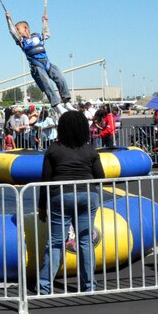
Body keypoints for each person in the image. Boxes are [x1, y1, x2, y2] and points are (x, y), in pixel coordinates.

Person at [37, 110, 105, 294]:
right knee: (85, 241)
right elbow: (101, 176)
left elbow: (45, 181)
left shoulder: (53, 150)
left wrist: (42, 207)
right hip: (87, 195)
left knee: (56, 241)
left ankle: (44, 286)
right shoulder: (90, 150)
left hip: (61, 196)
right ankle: (89, 285)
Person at [6, 11, 73, 115]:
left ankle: (67, 101)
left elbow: (46, 34)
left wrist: (45, 21)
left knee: (61, 77)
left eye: (18, 29)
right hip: (37, 65)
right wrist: (9, 19)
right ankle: (57, 105)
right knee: (48, 83)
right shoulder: (21, 41)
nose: (17, 32)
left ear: (26, 28)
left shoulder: (37, 36)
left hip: (47, 63)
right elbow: (12, 32)